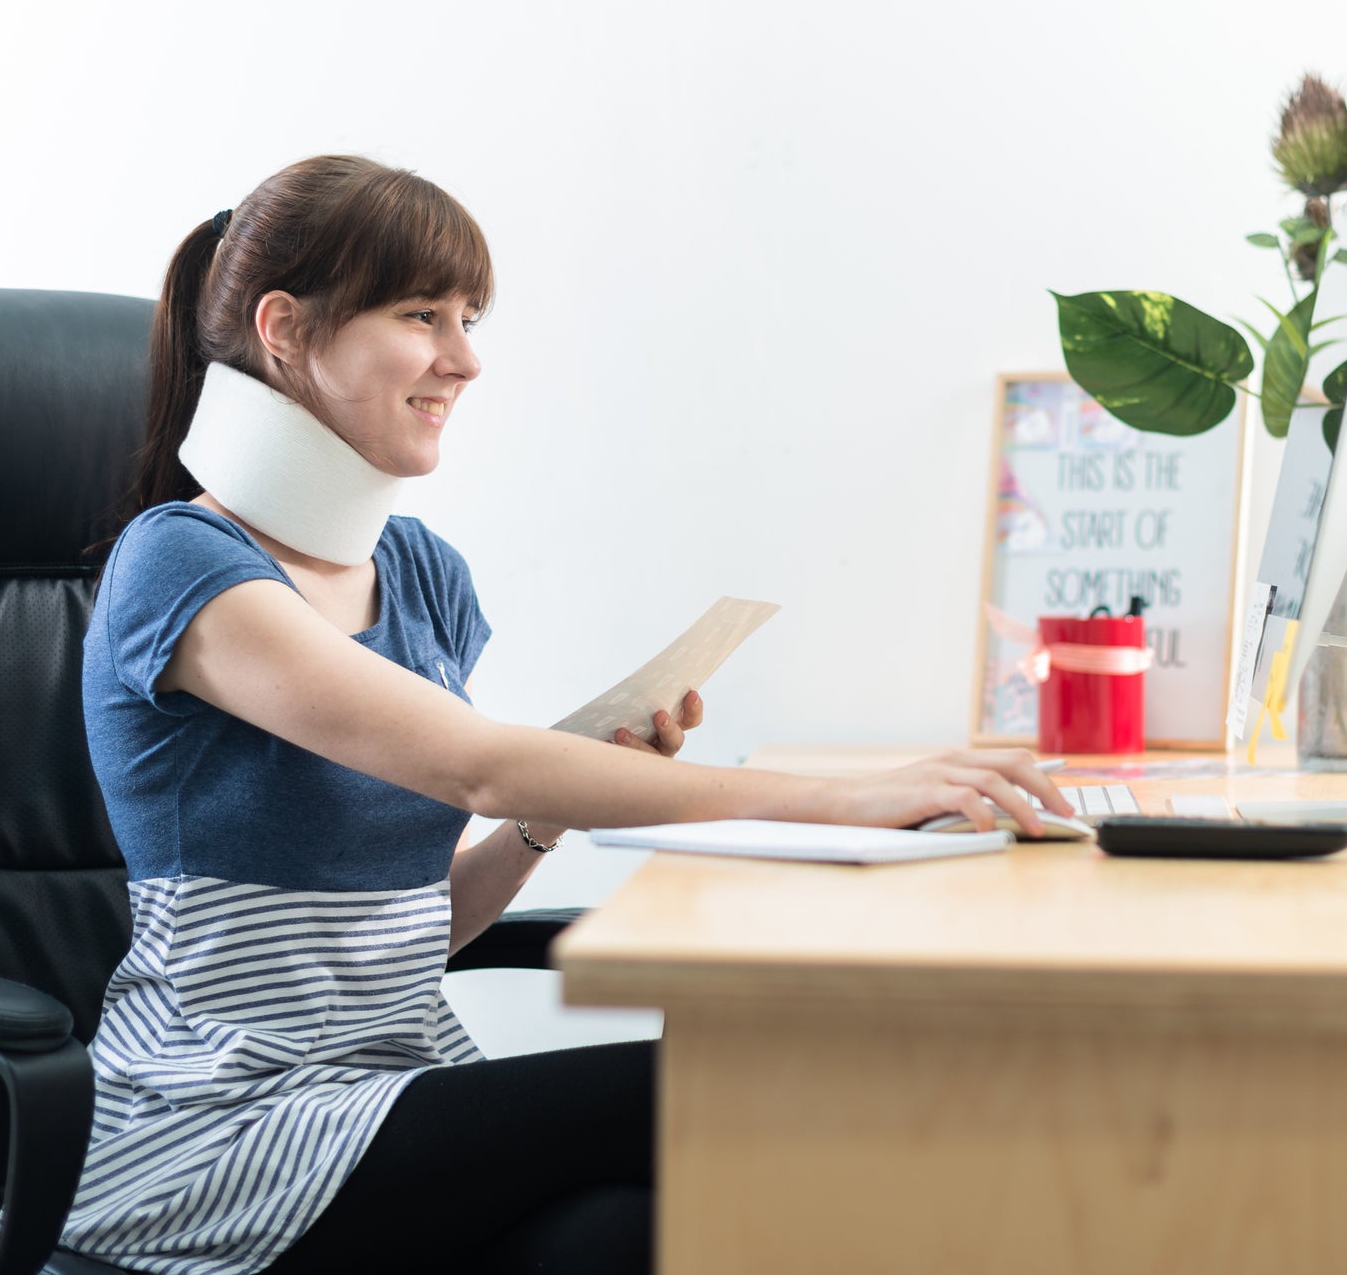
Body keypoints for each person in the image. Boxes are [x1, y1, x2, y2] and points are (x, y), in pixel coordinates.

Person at [60, 154, 1070, 1275]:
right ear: (285, 328)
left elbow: (399, 931)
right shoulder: (181, 565)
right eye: (421, 314)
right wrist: (858, 799)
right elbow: (480, 765)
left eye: (469, 316)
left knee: (625, 1239)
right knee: (724, 1089)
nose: (464, 356)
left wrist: (547, 819)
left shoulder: (420, 574)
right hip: (212, 1132)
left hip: (390, 1087)